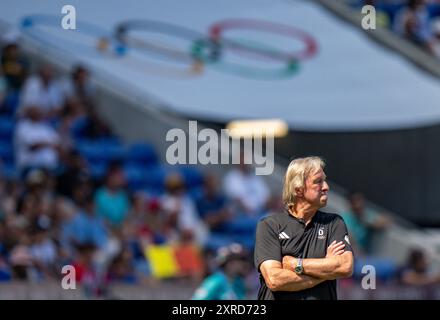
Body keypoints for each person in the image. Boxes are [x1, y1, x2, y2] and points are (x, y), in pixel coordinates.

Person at [254, 156, 354, 300]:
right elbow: (275, 280)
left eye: (324, 180)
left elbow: (345, 266)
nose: (326, 187)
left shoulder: (334, 223)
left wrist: (297, 264)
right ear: (299, 190)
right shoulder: (269, 225)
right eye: (318, 181)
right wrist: (326, 271)